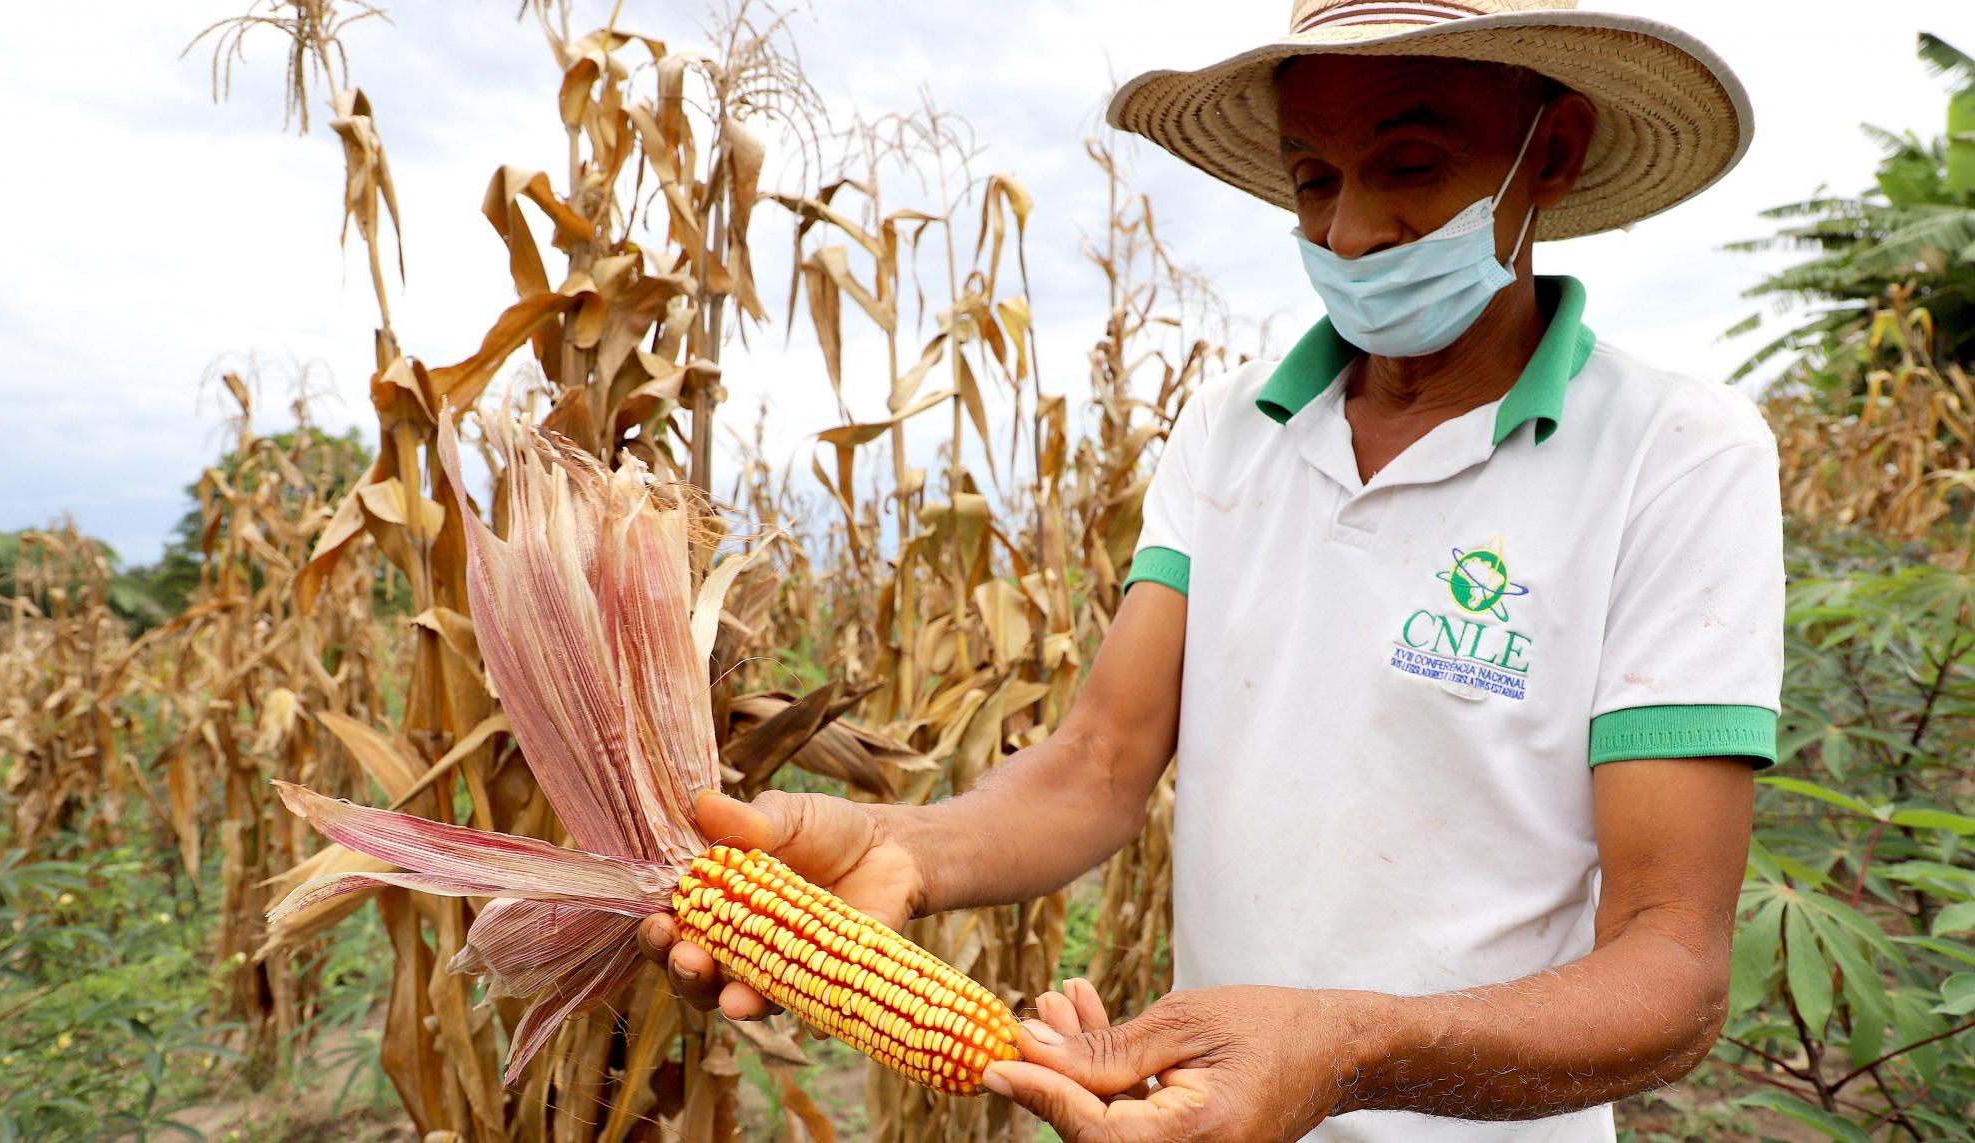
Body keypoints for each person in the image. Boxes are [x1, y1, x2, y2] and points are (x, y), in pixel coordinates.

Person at [643, 1, 1783, 1139]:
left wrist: (1340, 1054)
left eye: (1411, 166)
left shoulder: (1672, 457)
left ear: (1555, 152)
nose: (1348, 233)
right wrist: (907, 847)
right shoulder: (1231, 427)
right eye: (1311, 181)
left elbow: (1669, 968)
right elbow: (1099, 760)